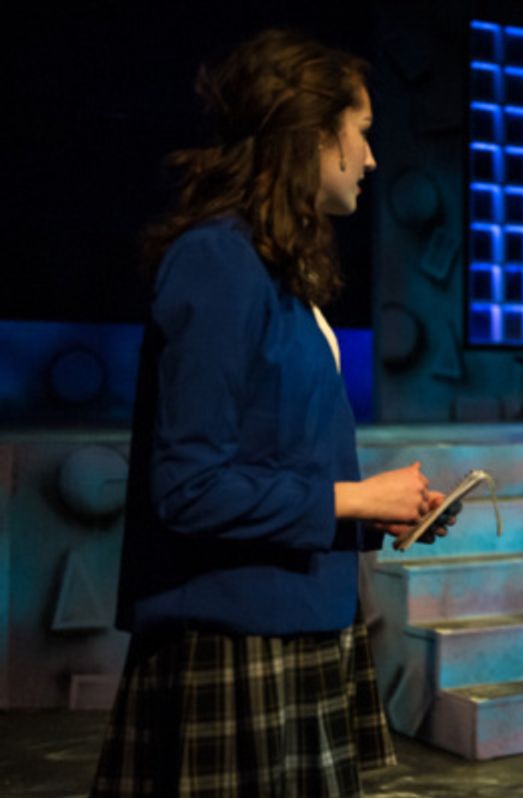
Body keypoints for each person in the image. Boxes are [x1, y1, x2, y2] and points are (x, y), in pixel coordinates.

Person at [91, 29, 452, 797]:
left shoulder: (278, 269)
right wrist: (354, 497)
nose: (372, 159)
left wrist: (377, 514)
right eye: (362, 134)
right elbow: (189, 487)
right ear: (315, 136)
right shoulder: (216, 260)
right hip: (235, 638)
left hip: (298, 623)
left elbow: (273, 463)